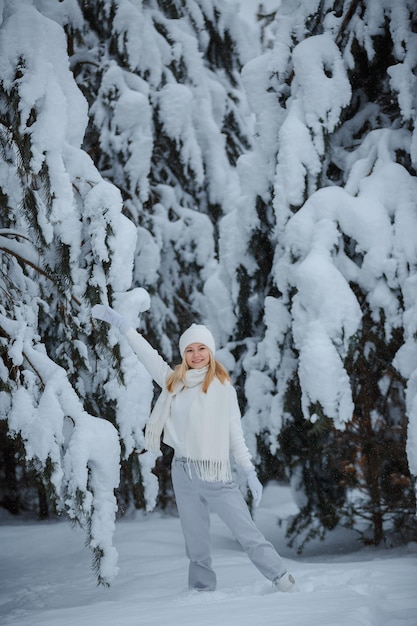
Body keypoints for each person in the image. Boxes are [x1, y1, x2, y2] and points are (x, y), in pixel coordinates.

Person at [92, 304, 295, 593]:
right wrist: (124, 326)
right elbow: (148, 355)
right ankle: (201, 591)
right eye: (190, 350)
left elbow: (234, 432)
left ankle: (282, 579)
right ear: (183, 354)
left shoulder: (222, 387)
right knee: (195, 540)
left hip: (215, 472)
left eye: (202, 348)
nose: (196, 355)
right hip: (182, 471)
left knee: (246, 532)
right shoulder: (174, 381)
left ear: (210, 352)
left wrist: (249, 471)